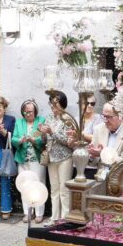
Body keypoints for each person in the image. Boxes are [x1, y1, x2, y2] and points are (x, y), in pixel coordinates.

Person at [40, 91, 75, 222]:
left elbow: (68, 141)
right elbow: (44, 139)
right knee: (54, 189)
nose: (53, 106)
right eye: (51, 103)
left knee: (64, 189)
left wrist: (52, 132)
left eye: (56, 103)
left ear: (62, 104)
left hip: (65, 157)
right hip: (51, 157)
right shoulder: (48, 117)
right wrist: (43, 132)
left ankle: (65, 218)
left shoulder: (68, 119)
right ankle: (54, 217)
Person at [13, 99, 46, 223]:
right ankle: (27, 213)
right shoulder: (19, 122)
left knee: (38, 185)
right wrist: (20, 140)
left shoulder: (41, 121)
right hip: (22, 159)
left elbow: (43, 140)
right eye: (26, 112)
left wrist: (33, 140)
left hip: (36, 159)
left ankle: (39, 213)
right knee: (24, 186)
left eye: (31, 112)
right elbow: (14, 139)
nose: (28, 114)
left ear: (35, 111)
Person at [88, 103, 123, 178]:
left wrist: (103, 154)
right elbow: (93, 163)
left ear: (120, 116)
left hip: (120, 179)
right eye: (104, 116)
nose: (105, 120)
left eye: (109, 117)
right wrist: (92, 156)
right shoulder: (99, 129)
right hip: (101, 178)